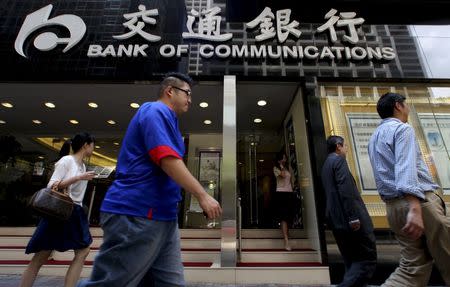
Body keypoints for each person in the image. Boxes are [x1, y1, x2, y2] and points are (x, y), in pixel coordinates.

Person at [78, 72, 222, 287]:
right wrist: (202, 194)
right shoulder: (155, 111)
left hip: (163, 217)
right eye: (187, 93)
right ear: (170, 91)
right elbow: (167, 159)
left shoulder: (170, 120)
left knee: (170, 283)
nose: (190, 100)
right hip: (136, 212)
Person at [368, 92, 450, 287]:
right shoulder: (402, 129)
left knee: (412, 268)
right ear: (398, 106)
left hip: (393, 207)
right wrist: (414, 207)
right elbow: (405, 167)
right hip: (419, 204)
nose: (409, 108)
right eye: (406, 105)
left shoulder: (374, 138)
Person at [20, 133, 96, 287]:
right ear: (85, 145)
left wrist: (81, 176)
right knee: (41, 256)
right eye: (93, 144)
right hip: (60, 212)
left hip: (75, 212)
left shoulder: (82, 166)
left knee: (83, 251)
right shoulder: (66, 161)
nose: (93, 148)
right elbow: (52, 185)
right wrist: (78, 178)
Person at [321, 136, 377, 287]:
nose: (346, 149)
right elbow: (345, 190)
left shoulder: (326, 164)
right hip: (349, 220)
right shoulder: (338, 161)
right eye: (345, 146)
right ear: (338, 146)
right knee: (365, 259)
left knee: (351, 261)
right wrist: (353, 217)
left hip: (336, 220)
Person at [273, 151, 297, 251]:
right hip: (281, 193)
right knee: (283, 216)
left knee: (289, 215)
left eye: (285, 158)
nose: (285, 160)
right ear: (279, 160)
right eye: (283, 158)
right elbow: (282, 175)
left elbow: (292, 179)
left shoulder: (288, 168)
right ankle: (286, 240)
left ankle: (287, 232)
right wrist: (281, 166)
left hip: (289, 193)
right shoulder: (276, 168)